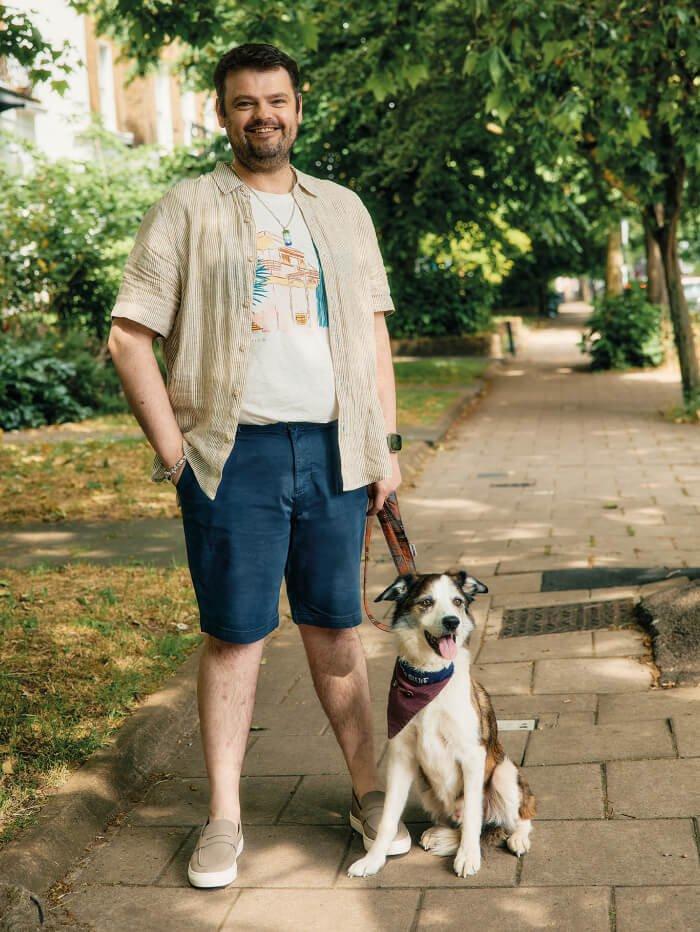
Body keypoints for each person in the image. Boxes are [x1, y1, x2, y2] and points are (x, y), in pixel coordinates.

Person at [107, 42, 409, 889]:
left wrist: (384, 446)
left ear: (299, 107)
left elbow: (374, 334)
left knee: (336, 632)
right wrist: (176, 454)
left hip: (335, 451)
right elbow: (129, 336)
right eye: (244, 103)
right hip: (230, 457)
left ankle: (366, 793)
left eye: (275, 101)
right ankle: (225, 820)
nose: (262, 116)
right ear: (222, 114)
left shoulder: (343, 210)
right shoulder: (188, 208)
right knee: (236, 639)